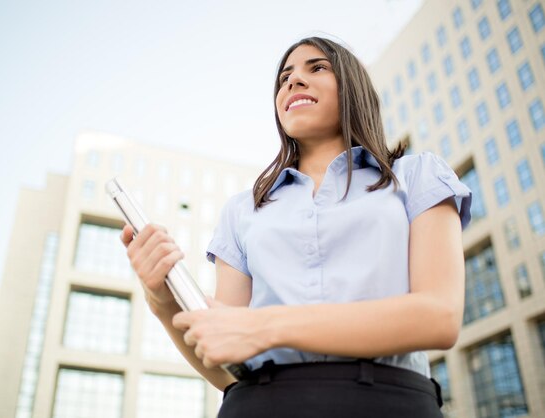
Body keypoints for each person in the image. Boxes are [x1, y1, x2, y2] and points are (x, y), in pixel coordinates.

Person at [120, 36, 472, 418]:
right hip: (259, 406)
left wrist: (265, 327)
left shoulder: (417, 176)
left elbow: (440, 316)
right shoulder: (243, 210)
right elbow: (227, 368)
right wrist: (160, 298)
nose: (293, 81)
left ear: (353, 86)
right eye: (284, 77)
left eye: (316, 67)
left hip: (387, 404)